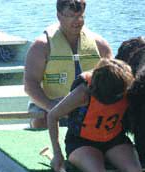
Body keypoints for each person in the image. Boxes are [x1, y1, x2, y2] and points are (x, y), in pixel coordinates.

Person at [47, 58, 143, 172]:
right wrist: (57, 153)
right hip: (82, 141)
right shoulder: (83, 92)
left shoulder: (127, 86)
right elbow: (52, 115)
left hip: (114, 139)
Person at [24, 0, 112, 128]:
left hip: (89, 106)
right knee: (40, 121)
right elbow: (30, 85)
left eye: (80, 16)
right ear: (59, 16)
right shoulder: (41, 46)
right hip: (48, 105)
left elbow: (113, 81)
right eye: (71, 16)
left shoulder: (100, 45)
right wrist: (53, 107)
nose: (77, 21)